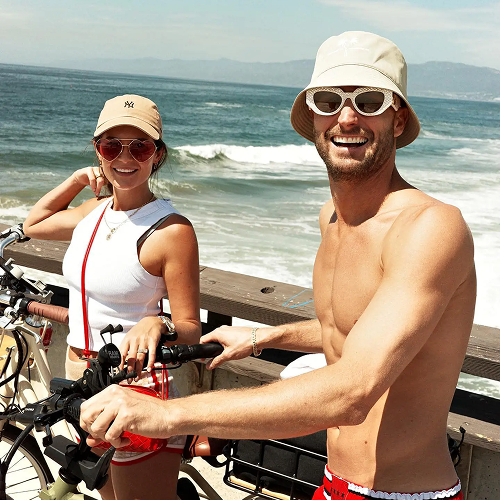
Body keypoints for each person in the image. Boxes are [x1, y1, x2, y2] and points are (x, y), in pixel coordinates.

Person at [78, 33, 476, 500]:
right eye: (329, 101)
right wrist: (263, 337)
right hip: (335, 481)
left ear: (398, 117)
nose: (348, 117)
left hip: (406, 494)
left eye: (370, 101)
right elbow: (347, 328)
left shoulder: (430, 228)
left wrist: (167, 415)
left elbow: (354, 391)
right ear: (314, 117)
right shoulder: (332, 219)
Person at [23, 94, 201, 500]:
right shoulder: (94, 211)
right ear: (97, 151)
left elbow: (191, 329)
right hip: (81, 381)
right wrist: (77, 180)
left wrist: (157, 322)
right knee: (107, 492)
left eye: (140, 146)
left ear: (158, 155)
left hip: (134, 385)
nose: (125, 157)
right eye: (111, 146)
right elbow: (34, 224)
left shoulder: (171, 230)